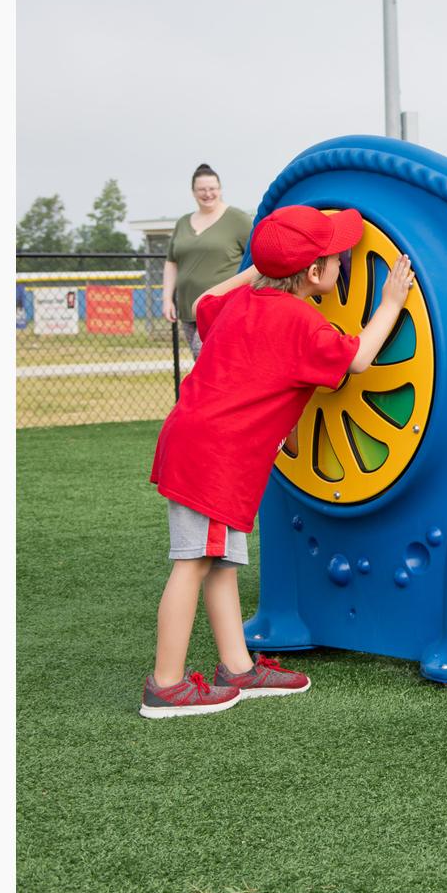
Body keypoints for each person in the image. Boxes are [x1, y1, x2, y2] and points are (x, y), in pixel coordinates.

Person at [141, 205, 416, 717]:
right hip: (215, 456)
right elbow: (357, 358)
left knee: (220, 562)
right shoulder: (299, 321)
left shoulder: (246, 301)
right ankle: (166, 684)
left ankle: (238, 668)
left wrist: (258, 270)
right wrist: (391, 302)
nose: (344, 263)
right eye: (338, 258)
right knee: (193, 562)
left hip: (203, 445)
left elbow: (205, 300)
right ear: (313, 274)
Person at [163, 163, 251, 358]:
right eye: (201, 189)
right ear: (193, 192)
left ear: (220, 190)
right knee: (202, 362)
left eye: (212, 189)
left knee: (204, 354)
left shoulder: (237, 219)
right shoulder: (183, 222)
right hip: (188, 308)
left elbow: (255, 254)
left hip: (222, 306)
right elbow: (172, 261)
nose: (207, 193)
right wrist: (167, 299)